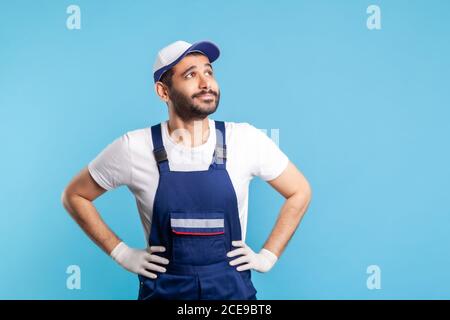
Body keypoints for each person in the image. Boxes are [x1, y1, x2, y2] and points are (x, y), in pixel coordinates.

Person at [61, 40, 312, 300]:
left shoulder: (245, 139)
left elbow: (299, 191)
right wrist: (122, 253)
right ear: (163, 91)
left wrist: (268, 256)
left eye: (209, 72)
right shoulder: (134, 147)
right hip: (163, 292)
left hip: (232, 294)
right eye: (191, 74)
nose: (206, 83)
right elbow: (75, 195)